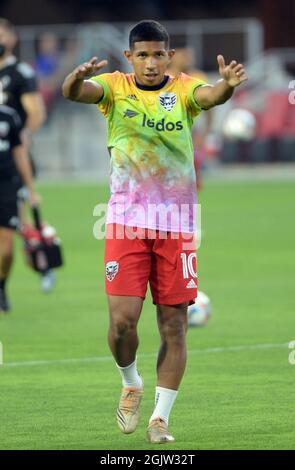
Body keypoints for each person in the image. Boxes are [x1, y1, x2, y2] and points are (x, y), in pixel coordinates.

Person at [62, 20, 247, 443]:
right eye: (142, 55)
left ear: (169, 56)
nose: (149, 63)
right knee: (123, 323)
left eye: (157, 54)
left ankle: (160, 418)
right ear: (130, 57)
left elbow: (211, 95)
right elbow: (77, 94)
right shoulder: (114, 87)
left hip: (177, 226)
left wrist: (227, 86)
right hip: (126, 222)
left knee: (174, 326)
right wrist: (75, 79)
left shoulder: (183, 89)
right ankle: (130, 382)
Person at [0, 18, 55, 293]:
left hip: (10, 159)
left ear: (11, 39)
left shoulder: (20, 73)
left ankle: (41, 264)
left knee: (16, 224)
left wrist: (21, 140)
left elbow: (36, 113)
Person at [0, 104, 39, 313]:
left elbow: (20, 154)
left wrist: (31, 190)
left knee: (6, 252)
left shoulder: (9, 116)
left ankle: (2, 286)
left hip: (6, 187)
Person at [168, 47, 213, 189]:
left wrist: (205, 134)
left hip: (191, 132)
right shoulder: (163, 78)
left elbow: (210, 108)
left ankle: (186, 206)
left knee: (190, 180)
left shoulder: (199, 78)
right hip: (166, 133)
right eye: (183, 55)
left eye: (189, 56)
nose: (187, 59)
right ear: (173, 57)